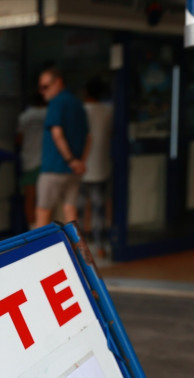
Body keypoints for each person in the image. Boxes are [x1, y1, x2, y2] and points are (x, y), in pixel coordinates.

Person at [35, 66, 90, 228]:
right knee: (70, 212)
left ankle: (38, 253)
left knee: (43, 212)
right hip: (74, 170)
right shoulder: (78, 104)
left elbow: (57, 133)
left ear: (58, 82)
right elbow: (89, 137)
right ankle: (75, 250)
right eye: (40, 87)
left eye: (45, 86)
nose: (42, 91)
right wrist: (80, 162)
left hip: (55, 168)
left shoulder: (57, 102)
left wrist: (71, 160)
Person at [78, 78, 113, 257]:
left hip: (82, 168)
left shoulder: (81, 111)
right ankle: (100, 246)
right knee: (99, 210)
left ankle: (81, 248)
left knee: (80, 210)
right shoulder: (108, 110)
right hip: (101, 166)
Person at [16, 93, 47, 228]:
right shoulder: (49, 114)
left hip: (29, 160)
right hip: (46, 162)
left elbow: (19, 139)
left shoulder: (25, 116)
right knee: (45, 200)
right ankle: (46, 231)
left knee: (30, 197)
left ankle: (32, 229)